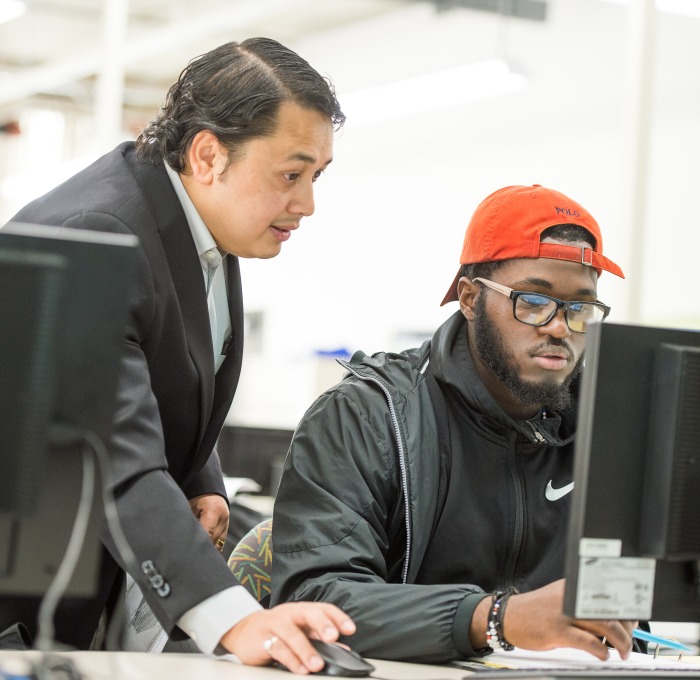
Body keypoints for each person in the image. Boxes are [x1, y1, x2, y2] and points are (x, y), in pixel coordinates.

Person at [2, 37, 355, 673]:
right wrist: (237, 621)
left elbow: (166, 376)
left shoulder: (197, 223)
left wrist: (201, 479)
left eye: (316, 177)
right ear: (208, 153)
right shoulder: (97, 230)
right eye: (291, 174)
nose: (306, 204)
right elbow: (107, 455)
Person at [270, 184, 639, 664]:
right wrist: (495, 619)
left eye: (580, 308)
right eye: (532, 301)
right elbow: (314, 599)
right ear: (469, 298)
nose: (558, 328)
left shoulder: (608, 428)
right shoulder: (368, 416)